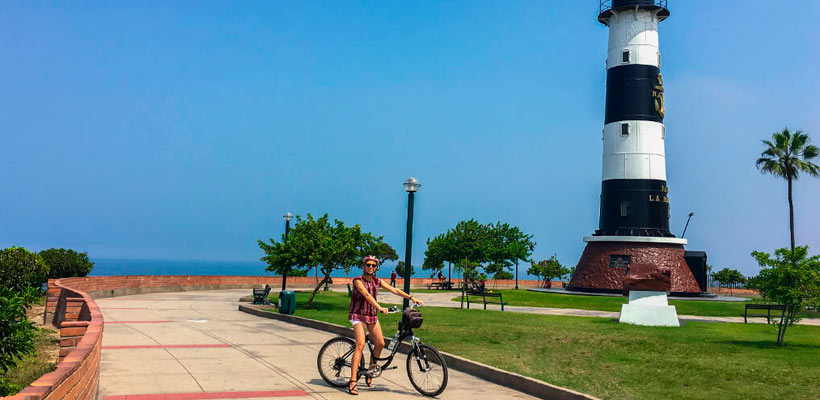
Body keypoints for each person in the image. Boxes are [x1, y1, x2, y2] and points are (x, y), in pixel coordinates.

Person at [347, 255, 423, 395]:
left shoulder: (377, 280)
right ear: (363, 266)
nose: (370, 267)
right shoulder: (358, 280)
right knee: (360, 344)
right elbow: (366, 295)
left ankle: (370, 371)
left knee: (381, 343)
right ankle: (352, 381)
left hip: (371, 316)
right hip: (358, 315)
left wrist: (411, 297)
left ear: (376, 267)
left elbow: (394, 290)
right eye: (368, 265)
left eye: (373, 265)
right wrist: (380, 307)